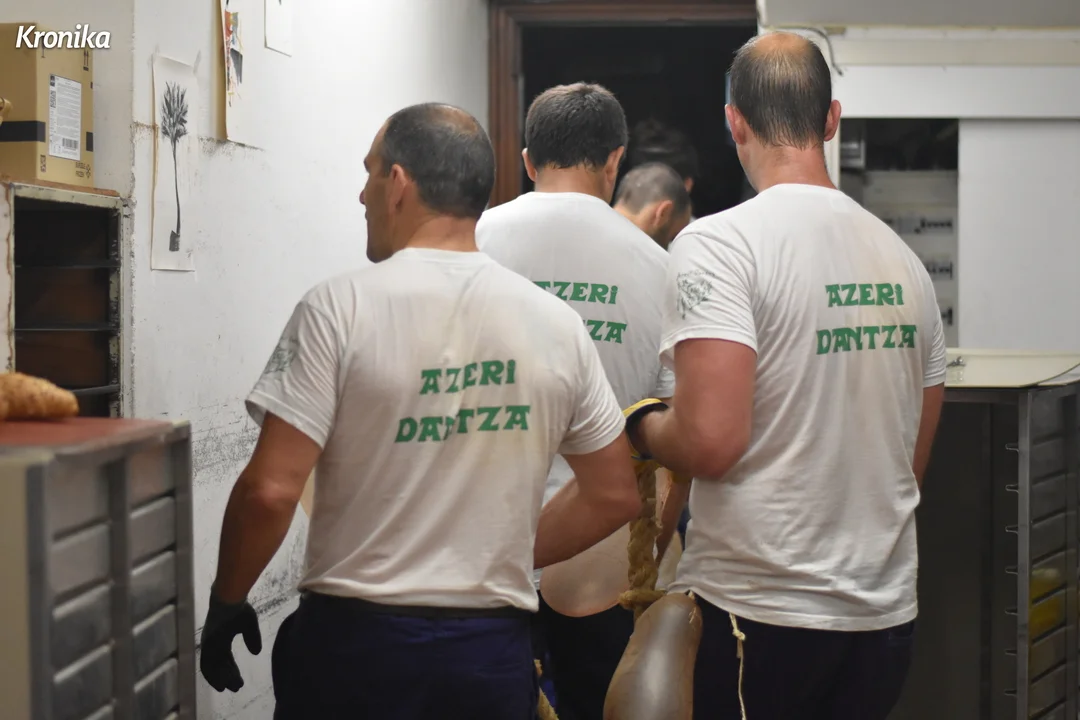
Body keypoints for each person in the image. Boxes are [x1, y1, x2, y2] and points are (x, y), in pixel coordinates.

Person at [197, 102, 644, 720]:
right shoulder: (556, 325)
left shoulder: (338, 309)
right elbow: (615, 494)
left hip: (355, 649)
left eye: (370, 173)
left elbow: (270, 492)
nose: (362, 195)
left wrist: (227, 599)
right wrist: (502, 554)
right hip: (489, 653)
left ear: (399, 183)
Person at [625, 32, 947, 719]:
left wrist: (644, 426)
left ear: (734, 122)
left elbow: (710, 441)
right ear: (830, 120)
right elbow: (910, 463)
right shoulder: (903, 261)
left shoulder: (719, 245)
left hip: (760, 615)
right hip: (882, 617)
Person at [476, 82, 674, 720]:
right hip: (603, 557)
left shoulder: (471, 240)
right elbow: (675, 442)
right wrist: (654, 558)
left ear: (528, 161)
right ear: (615, 160)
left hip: (478, 549)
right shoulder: (661, 269)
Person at [613, 162, 693, 250]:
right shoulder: (642, 256)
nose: (670, 249)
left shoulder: (601, 234)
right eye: (672, 239)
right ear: (663, 213)